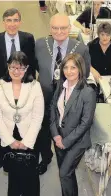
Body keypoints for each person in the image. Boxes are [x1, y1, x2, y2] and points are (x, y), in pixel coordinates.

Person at [35, 13, 91, 175]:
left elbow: (85, 74)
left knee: (64, 131)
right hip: (44, 97)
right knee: (44, 130)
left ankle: (65, 165)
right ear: (50, 28)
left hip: (67, 100)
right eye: (55, 28)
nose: (59, 31)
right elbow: (37, 68)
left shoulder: (80, 48)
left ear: (69, 28)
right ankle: (45, 158)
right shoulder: (39, 44)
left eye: (63, 28)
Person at [0, 51, 44, 196]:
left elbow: (38, 116)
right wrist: (9, 141)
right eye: (13, 67)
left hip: (29, 133)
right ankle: (13, 192)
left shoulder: (35, 86)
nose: (16, 71)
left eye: (20, 68)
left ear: (26, 69)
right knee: (12, 167)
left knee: (30, 169)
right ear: (8, 67)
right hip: (8, 134)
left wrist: (27, 141)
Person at [0, 8, 37, 169]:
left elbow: (32, 65)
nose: (12, 24)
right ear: (3, 22)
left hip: (23, 87)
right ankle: (3, 152)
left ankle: (22, 149)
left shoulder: (28, 38)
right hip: (3, 88)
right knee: (4, 121)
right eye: (8, 20)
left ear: (20, 22)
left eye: (15, 20)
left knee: (21, 119)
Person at [49, 53, 96, 196]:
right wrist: (55, 135)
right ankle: (67, 194)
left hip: (77, 141)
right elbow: (53, 110)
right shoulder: (60, 85)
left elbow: (85, 123)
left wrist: (65, 141)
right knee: (66, 171)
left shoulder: (87, 92)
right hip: (59, 137)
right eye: (66, 67)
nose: (69, 71)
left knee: (64, 172)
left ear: (80, 69)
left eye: (73, 67)